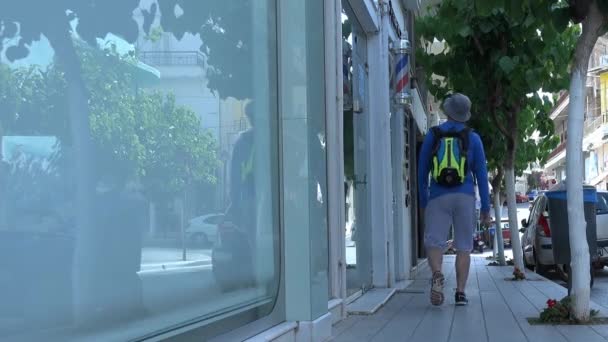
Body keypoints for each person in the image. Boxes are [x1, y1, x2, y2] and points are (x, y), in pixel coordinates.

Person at [418, 93, 491, 306]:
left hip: (438, 196)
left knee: (434, 242)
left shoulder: (433, 135)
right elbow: (482, 175)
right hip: (465, 196)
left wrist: (425, 202)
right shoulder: (474, 138)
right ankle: (460, 293)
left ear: (448, 112)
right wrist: (485, 207)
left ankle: (438, 274)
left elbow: (422, 172)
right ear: (465, 115)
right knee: (464, 246)